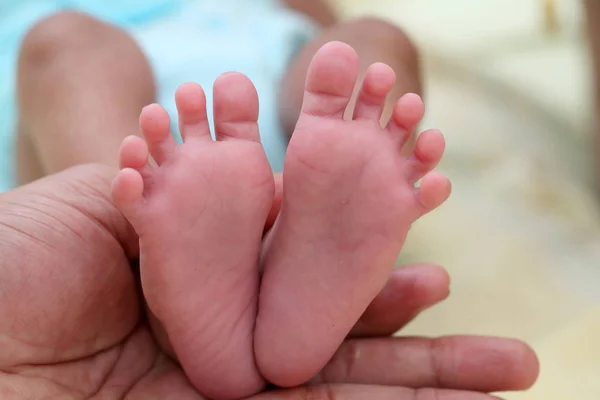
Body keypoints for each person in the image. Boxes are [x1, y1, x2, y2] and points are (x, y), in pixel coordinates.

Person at [0, 163, 539, 399]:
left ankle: (162, 228)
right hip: (273, 147)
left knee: (67, 46)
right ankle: (364, 166)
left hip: (198, 153)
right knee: (369, 44)